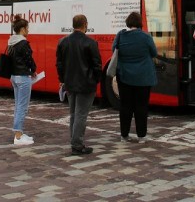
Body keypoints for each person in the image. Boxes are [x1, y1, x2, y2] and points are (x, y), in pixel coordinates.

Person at [56, 14, 102, 156]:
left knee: (73, 114)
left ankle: (74, 140)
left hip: (70, 83)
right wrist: (95, 80)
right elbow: (97, 66)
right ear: (85, 24)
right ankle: (77, 144)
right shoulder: (91, 43)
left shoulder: (63, 42)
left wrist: (63, 79)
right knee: (81, 114)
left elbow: (59, 64)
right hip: (86, 84)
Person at [112, 11, 158, 143]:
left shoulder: (120, 35)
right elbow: (154, 52)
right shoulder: (146, 37)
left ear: (128, 22)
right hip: (143, 77)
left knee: (125, 106)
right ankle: (141, 136)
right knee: (141, 106)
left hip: (124, 76)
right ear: (139, 23)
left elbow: (114, 50)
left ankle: (124, 135)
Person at [8, 14, 36, 146]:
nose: (28, 31)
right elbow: (29, 60)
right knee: (22, 107)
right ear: (23, 29)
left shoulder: (11, 42)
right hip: (23, 77)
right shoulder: (23, 43)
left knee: (18, 105)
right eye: (27, 28)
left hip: (14, 77)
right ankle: (18, 136)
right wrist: (34, 70)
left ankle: (19, 132)